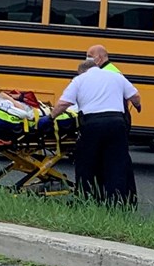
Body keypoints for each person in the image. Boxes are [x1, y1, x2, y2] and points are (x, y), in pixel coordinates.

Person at [45, 58, 140, 205]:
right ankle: (117, 201)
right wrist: (137, 106)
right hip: (117, 123)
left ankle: (88, 198)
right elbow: (135, 96)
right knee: (117, 163)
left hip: (92, 124)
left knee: (87, 162)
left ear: (82, 71)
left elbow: (64, 103)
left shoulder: (79, 80)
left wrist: (50, 118)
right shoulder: (116, 76)